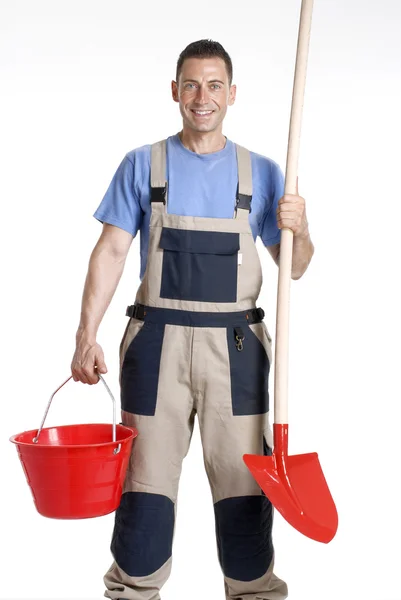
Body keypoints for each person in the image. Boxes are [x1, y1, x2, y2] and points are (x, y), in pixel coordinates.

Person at [71, 39, 314, 600]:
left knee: (244, 487)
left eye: (213, 85)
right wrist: (85, 336)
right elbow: (109, 252)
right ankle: (133, 589)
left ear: (232, 94)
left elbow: (294, 269)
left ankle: (253, 591)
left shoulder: (264, 173)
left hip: (236, 350)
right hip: (154, 346)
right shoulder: (143, 164)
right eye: (191, 84)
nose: (201, 97)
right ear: (175, 91)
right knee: (146, 487)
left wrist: (300, 229)